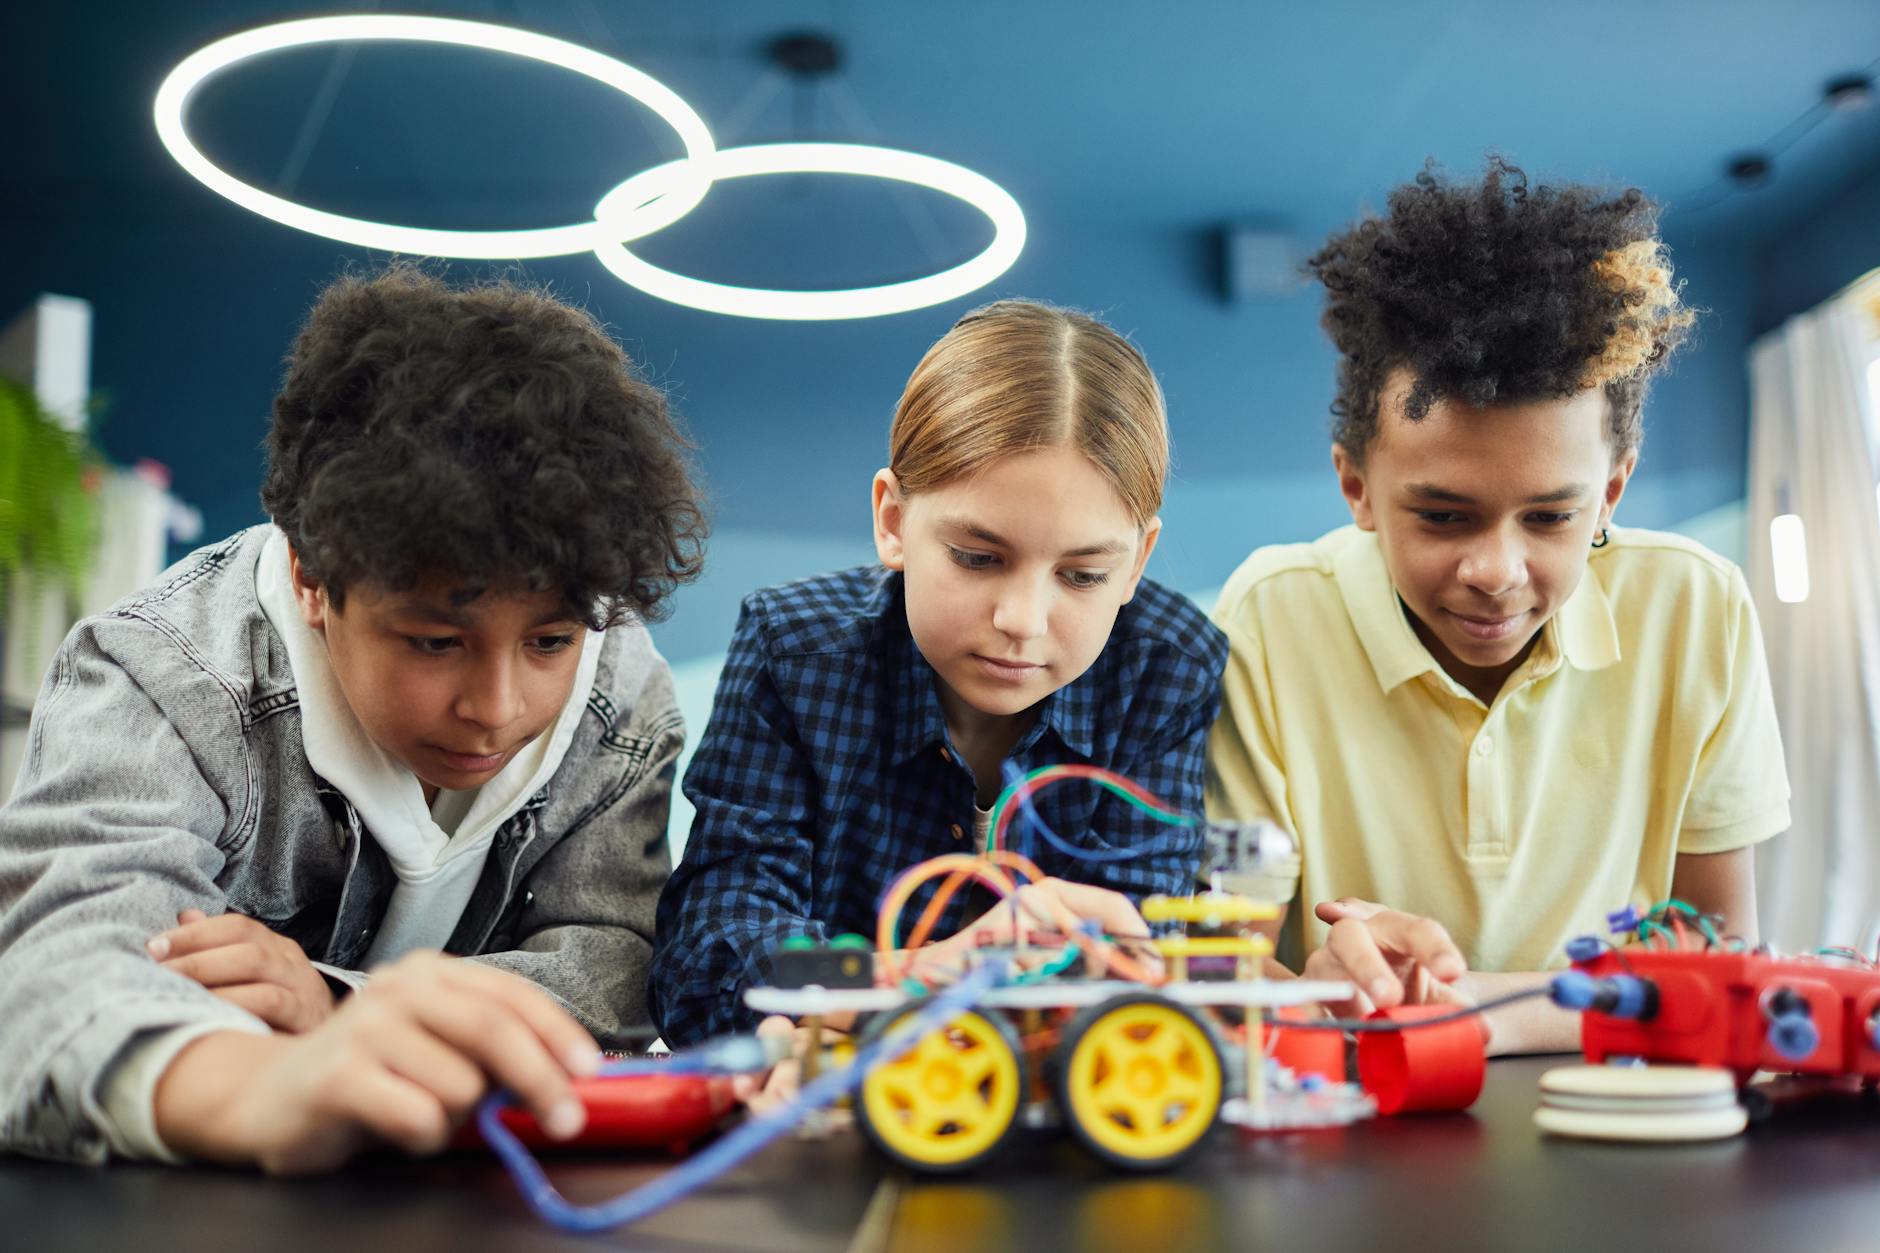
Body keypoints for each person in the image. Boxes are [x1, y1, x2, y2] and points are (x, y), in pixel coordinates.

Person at [0, 265, 707, 1170]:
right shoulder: (160, 673)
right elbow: (57, 966)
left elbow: (611, 968)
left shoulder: (623, 689)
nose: (496, 710)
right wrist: (261, 1084)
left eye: (549, 641)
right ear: (309, 576)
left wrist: (337, 1002)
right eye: (434, 642)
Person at [1206, 160, 1790, 1052]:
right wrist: (1314, 989)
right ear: (1356, 485)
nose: (1496, 570)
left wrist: (1473, 1007)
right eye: (1443, 516)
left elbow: (1721, 954)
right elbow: (1228, 970)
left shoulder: (1696, 607)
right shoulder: (1268, 617)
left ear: (1612, 492)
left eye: (1551, 516)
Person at [651, 300, 1228, 1052]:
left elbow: (1145, 964)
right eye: (978, 557)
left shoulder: (1168, 667)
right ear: (893, 520)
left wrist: (866, 987)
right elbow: (710, 957)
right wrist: (929, 971)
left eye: (1083, 574)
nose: (1023, 618)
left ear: (1138, 562)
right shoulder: (794, 652)